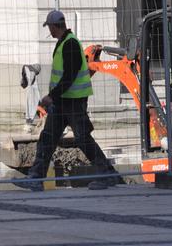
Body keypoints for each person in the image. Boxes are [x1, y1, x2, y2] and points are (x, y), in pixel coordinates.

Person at [15, 10, 119, 191]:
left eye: (50, 27)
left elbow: (69, 75)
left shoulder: (70, 44)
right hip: (63, 101)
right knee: (47, 138)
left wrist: (51, 96)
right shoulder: (63, 43)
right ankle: (35, 177)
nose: (50, 31)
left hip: (73, 101)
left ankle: (107, 175)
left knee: (82, 139)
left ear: (55, 26)